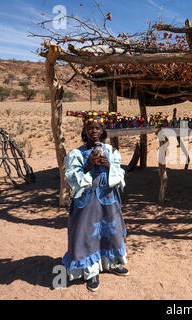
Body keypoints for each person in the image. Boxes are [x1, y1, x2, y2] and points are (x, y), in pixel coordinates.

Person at [62, 113, 129, 292]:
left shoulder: (111, 151)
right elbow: (72, 178)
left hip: (108, 197)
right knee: (87, 233)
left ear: (102, 130)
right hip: (87, 199)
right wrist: (88, 166)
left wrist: (108, 165)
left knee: (110, 231)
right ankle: (91, 272)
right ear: (85, 130)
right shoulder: (77, 153)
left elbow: (120, 175)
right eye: (90, 127)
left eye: (97, 128)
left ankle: (111, 263)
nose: (93, 131)